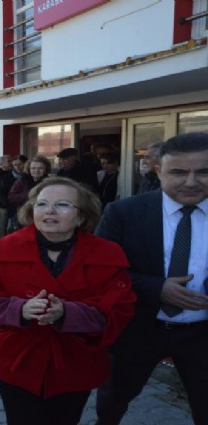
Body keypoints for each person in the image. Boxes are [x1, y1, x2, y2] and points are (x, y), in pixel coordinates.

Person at [0, 177, 136, 425]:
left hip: (75, 364)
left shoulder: (108, 254)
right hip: (17, 362)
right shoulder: (5, 248)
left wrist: (67, 314)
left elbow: (118, 312)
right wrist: (21, 309)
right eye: (42, 204)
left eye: (62, 205)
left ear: (81, 216)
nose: (49, 211)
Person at [95, 133, 208, 425]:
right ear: (158, 171)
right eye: (179, 172)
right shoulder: (123, 212)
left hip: (202, 335)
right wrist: (156, 287)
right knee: (114, 398)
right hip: (140, 329)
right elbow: (100, 270)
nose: (192, 181)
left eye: (204, 171)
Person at [7, 156, 52, 230]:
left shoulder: (50, 182)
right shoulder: (22, 180)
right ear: (29, 169)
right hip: (25, 216)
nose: (36, 171)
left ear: (46, 169)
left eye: (40, 168)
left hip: (44, 215)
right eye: (33, 168)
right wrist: (30, 195)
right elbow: (11, 197)